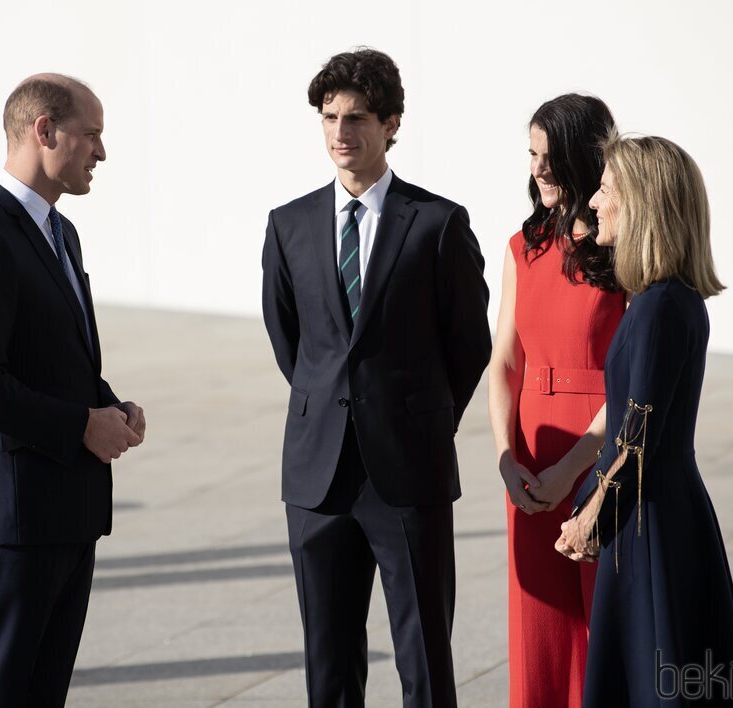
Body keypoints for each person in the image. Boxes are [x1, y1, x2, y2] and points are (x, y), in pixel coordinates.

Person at [261, 48, 492, 707]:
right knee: (327, 663)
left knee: (422, 658)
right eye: (329, 117)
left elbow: (468, 345)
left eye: (356, 117)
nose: (339, 132)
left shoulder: (439, 224)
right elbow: (292, 344)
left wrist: (416, 418)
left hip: (407, 470)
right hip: (315, 477)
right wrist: (330, 406)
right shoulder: (288, 225)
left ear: (392, 124)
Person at [0, 73, 146, 707]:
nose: (101, 153)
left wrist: (107, 405)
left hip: (65, 508)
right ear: (44, 130)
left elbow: (53, 355)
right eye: (92, 135)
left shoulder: (59, 232)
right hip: (15, 517)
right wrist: (81, 425)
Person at [556, 135, 733, 707]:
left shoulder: (662, 306)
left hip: (650, 523)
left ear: (641, 203)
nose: (593, 201)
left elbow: (635, 438)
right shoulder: (661, 300)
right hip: (652, 513)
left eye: (606, 189)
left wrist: (589, 518)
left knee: (657, 676)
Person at [487, 94, 624, 708]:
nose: (539, 169)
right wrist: (505, 460)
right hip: (531, 460)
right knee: (538, 633)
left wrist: (572, 471)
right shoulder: (522, 246)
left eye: (551, 155)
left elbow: (631, 378)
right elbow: (504, 363)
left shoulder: (624, 247)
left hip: (602, 454)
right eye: (533, 155)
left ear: (583, 157)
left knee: (602, 625)